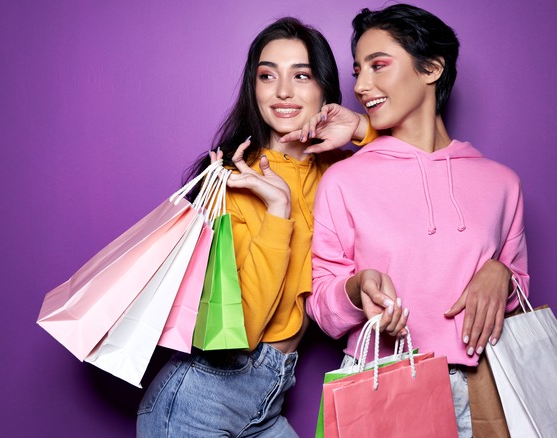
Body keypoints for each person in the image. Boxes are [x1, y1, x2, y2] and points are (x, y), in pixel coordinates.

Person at [303, 4, 530, 436]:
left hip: (485, 383)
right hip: (384, 378)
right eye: (357, 71)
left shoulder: (502, 183)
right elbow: (322, 308)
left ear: (431, 68)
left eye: (378, 66)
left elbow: (516, 291)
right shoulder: (343, 180)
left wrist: (502, 274)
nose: (361, 86)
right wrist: (358, 287)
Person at [136, 17, 361, 437]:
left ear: (325, 89)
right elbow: (243, 326)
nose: (282, 91)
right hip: (199, 401)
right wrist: (278, 210)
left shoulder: (341, 171)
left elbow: (412, 163)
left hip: (269, 399)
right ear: (253, 87)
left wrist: (362, 128)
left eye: (302, 75)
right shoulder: (232, 178)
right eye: (267, 75)